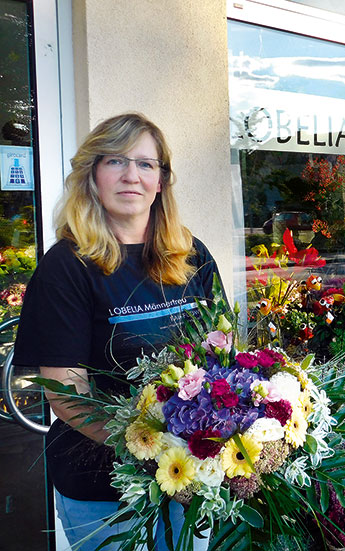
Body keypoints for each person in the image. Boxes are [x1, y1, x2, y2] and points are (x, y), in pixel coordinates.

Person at [13, 113, 220, 551]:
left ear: (161, 180)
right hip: (104, 490)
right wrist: (156, 449)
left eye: (146, 164)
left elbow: (218, 354)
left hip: (192, 477)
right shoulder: (66, 268)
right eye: (115, 162)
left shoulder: (190, 253)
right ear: (93, 175)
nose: (132, 176)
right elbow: (67, 393)